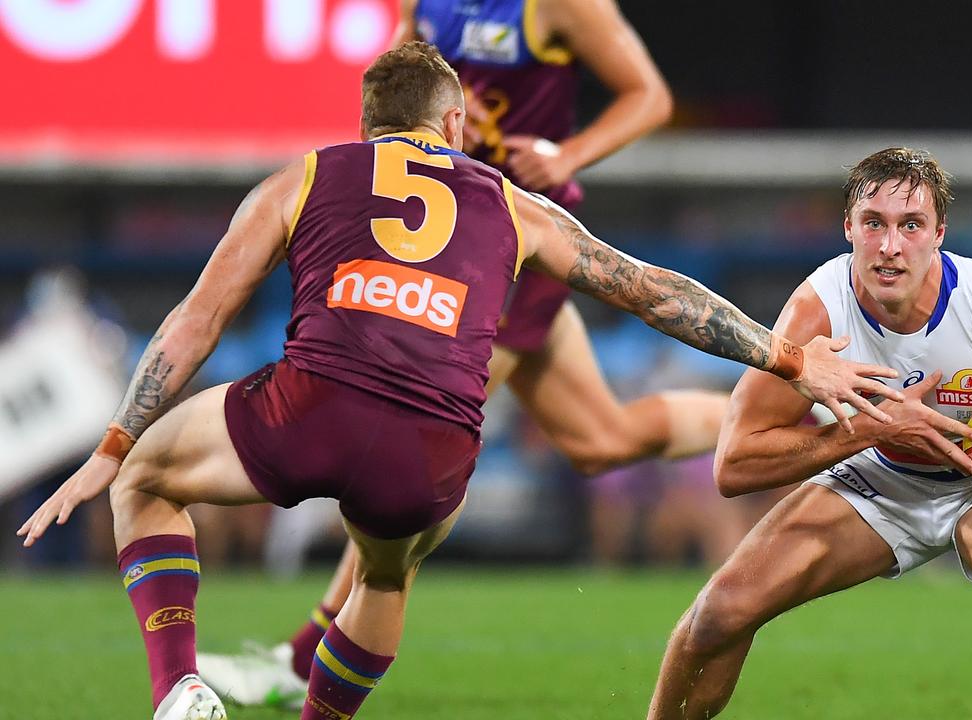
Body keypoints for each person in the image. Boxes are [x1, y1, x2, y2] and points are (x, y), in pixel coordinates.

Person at [16, 43, 904, 720]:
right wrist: (791, 358)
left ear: (367, 124)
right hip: (435, 451)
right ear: (451, 126)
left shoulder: (306, 175)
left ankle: (179, 693)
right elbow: (651, 291)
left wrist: (114, 443)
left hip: (309, 408)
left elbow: (196, 320)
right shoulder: (511, 202)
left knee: (145, 479)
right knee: (386, 578)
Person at [196, 0, 723, 706]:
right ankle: (775, 416)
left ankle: (300, 662)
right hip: (443, 242)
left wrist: (567, 156)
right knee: (603, 438)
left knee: (405, 431)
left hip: (506, 244)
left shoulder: (559, 7)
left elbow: (650, 97)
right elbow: (391, 73)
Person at [645, 148, 972, 720]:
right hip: (887, 475)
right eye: (873, 223)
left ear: (939, 234)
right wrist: (870, 431)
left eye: (911, 225)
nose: (890, 246)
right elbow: (735, 466)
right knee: (719, 614)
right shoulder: (818, 314)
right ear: (848, 226)